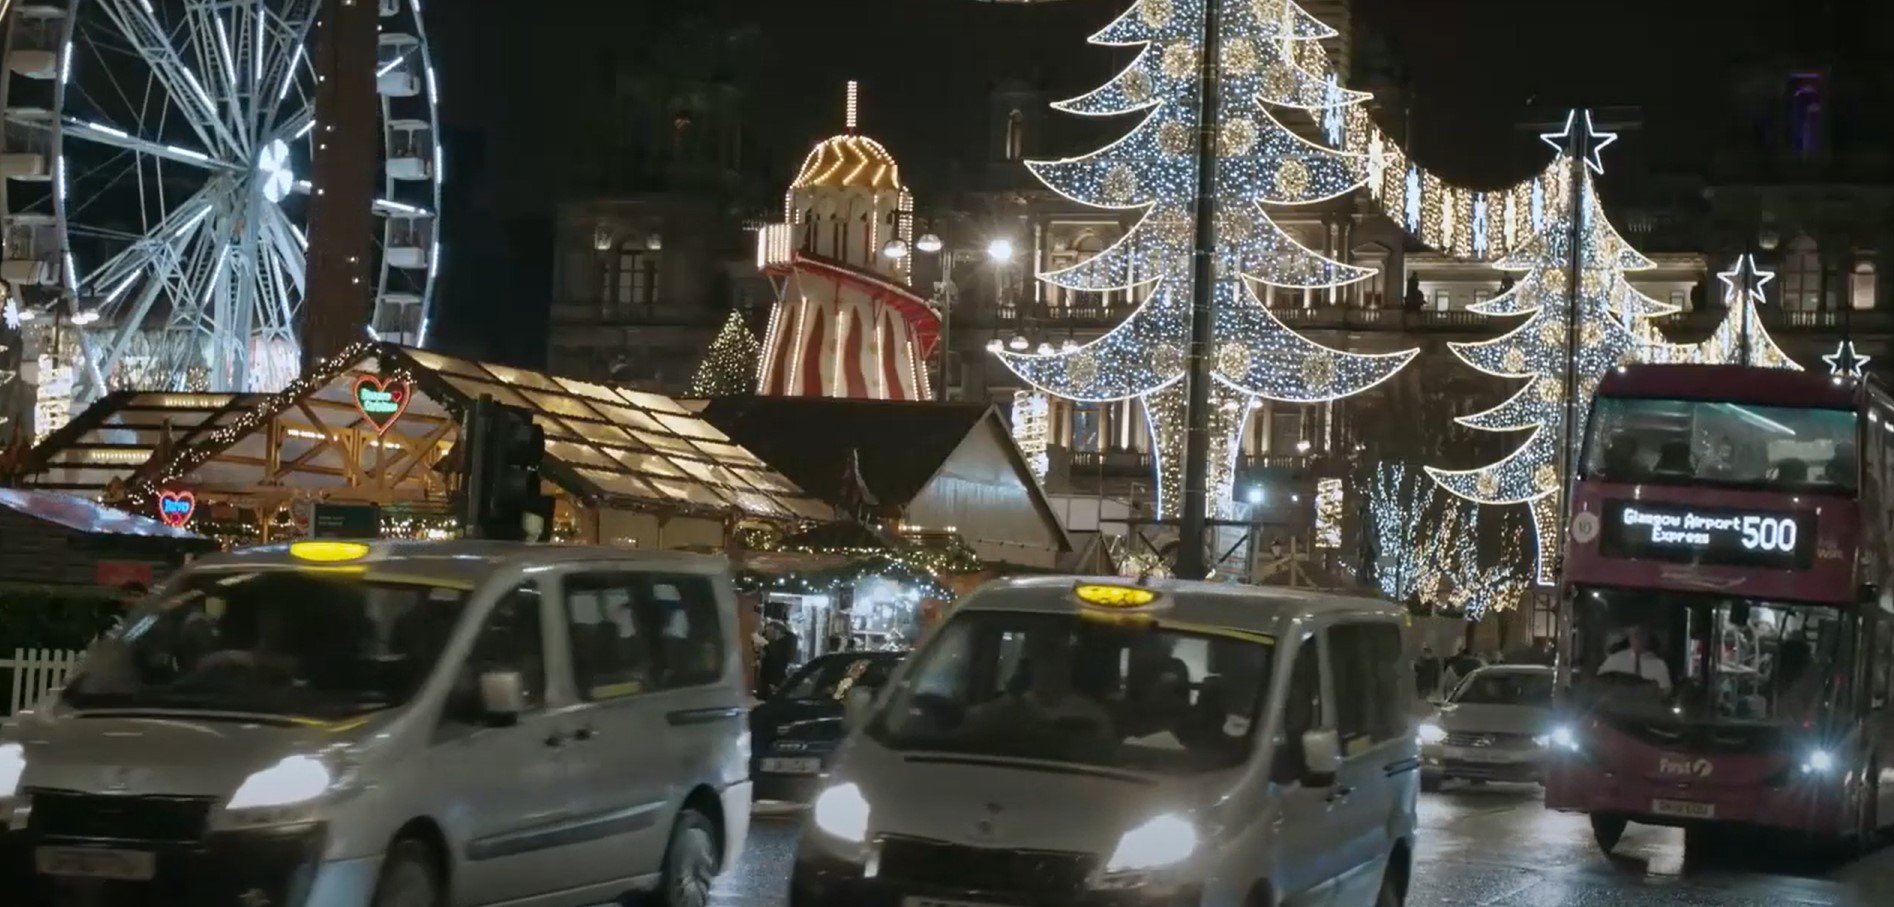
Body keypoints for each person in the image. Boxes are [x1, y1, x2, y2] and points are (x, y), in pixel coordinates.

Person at [1598, 625, 1672, 692]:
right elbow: (1598, 684)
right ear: (1629, 636)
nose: (1638, 639)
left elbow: (1666, 693)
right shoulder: (1614, 660)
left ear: (1648, 637)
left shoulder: (1659, 666)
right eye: (1635, 634)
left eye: (1642, 634)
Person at [758, 621, 797, 697]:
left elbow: (780, 659)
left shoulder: (786, 644)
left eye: (768, 632)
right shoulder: (773, 644)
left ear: (777, 632)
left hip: (778, 682)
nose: (766, 634)